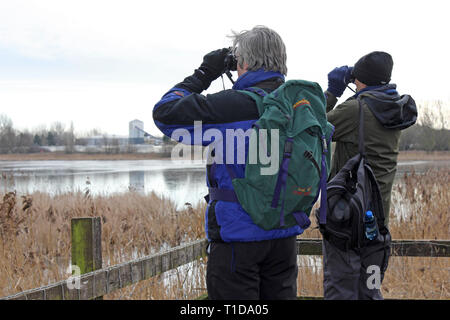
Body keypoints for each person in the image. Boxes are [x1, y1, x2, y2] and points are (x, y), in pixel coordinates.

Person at [153, 26, 303, 300]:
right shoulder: (298, 106)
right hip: (284, 234)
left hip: (238, 237)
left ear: (243, 63)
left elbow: (165, 114)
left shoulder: (230, 106)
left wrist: (203, 74)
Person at [323, 51, 417, 299]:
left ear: (360, 80)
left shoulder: (356, 110)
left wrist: (333, 90)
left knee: (340, 290)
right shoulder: (395, 108)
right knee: (371, 289)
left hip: (346, 220)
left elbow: (311, 127)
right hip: (378, 223)